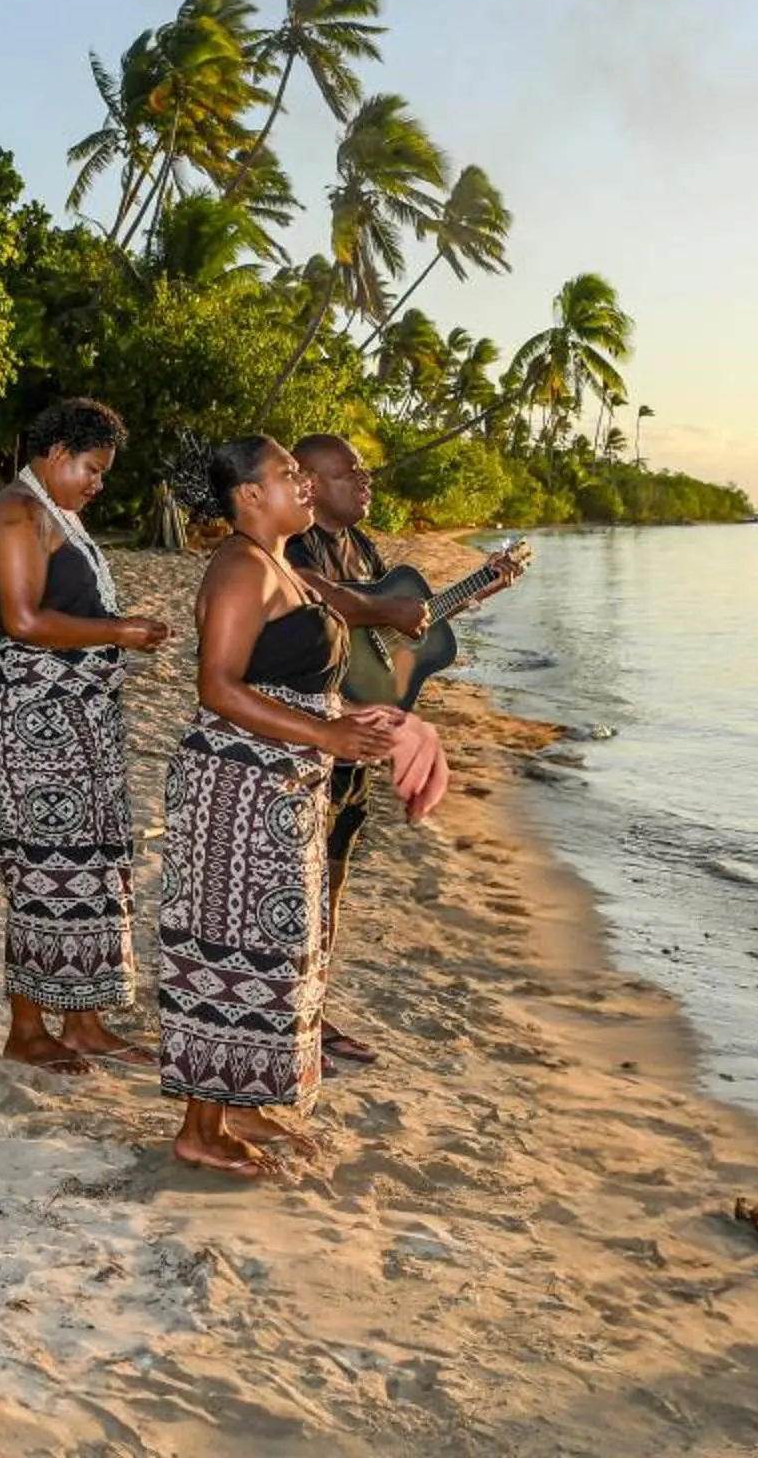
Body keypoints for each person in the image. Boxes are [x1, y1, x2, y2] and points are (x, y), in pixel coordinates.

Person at [157, 436, 405, 1177]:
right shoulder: (238, 566)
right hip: (237, 790)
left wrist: (342, 722)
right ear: (249, 496)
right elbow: (220, 688)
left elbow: (292, 675)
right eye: (288, 474)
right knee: (225, 950)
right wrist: (324, 729)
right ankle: (199, 1128)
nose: (301, 482)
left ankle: (236, 1102)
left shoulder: (281, 567)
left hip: (283, 791)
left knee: (270, 952)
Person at [280, 433, 519, 1071]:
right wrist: (389, 609)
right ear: (307, 480)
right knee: (297, 884)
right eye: (349, 473)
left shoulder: (360, 545)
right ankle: (287, 1019)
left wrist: (474, 591)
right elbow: (321, 597)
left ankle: (313, 1011)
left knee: (332, 878)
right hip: (313, 727)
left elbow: (393, 633)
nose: (366, 482)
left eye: (364, 473)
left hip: (362, 734)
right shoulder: (292, 540)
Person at [0, 396, 172, 1075]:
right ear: (55, 453)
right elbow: (23, 620)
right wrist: (119, 632)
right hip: (38, 718)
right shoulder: (17, 512)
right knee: (43, 870)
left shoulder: (58, 515)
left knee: (87, 869)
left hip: (77, 715)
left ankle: (82, 1020)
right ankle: (28, 1029)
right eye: (91, 468)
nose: (97, 483)